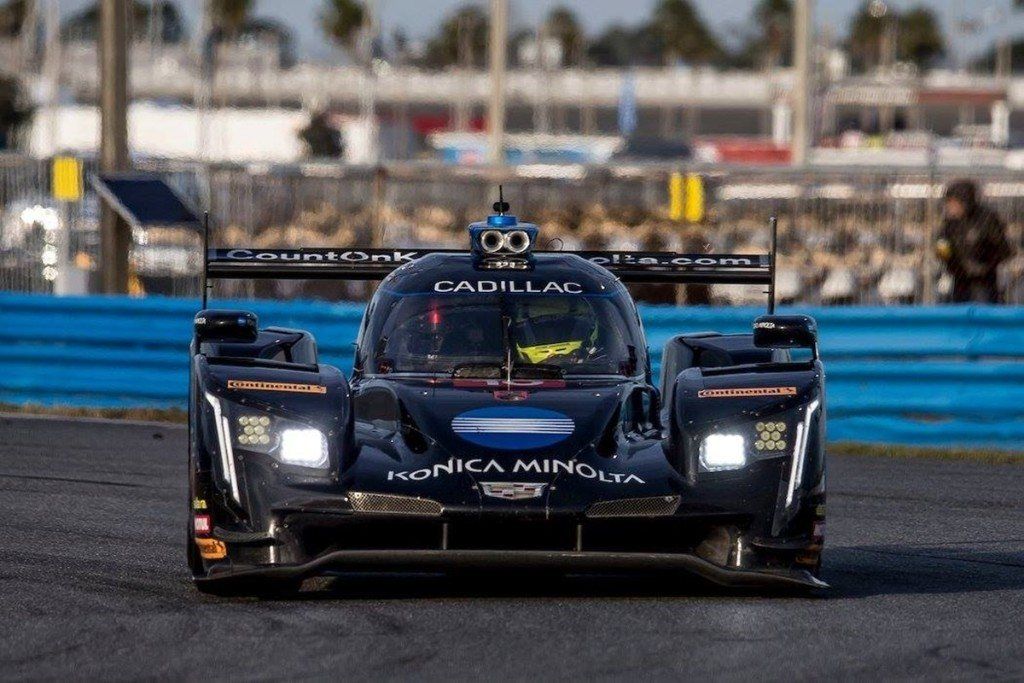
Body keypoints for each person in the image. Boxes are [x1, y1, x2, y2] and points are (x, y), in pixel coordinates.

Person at [936, 180, 1012, 304]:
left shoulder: (987, 219)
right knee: (959, 316)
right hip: (959, 280)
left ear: (964, 202)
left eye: (953, 203)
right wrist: (944, 254)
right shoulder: (951, 223)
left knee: (982, 316)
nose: (950, 207)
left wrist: (983, 268)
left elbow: (1004, 250)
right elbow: (943, 244)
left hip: (983, 284)